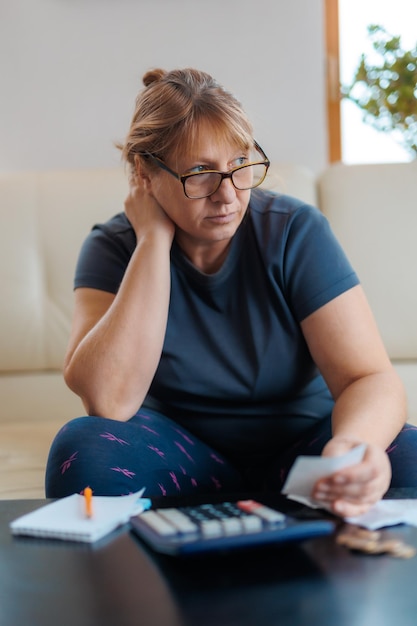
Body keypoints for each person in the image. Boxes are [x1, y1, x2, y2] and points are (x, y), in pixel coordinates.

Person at [45, 67, 417, 517]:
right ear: (144, 172)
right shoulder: (113, 247)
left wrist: (354, 447)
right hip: (183, 460)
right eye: (200, 172)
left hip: (302, 453)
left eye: (239, 164)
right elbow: (109, 400)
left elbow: (370, 377)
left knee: (408, 457)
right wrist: (152, 242)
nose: (228, 196)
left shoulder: (295, 231)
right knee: (84, 450)